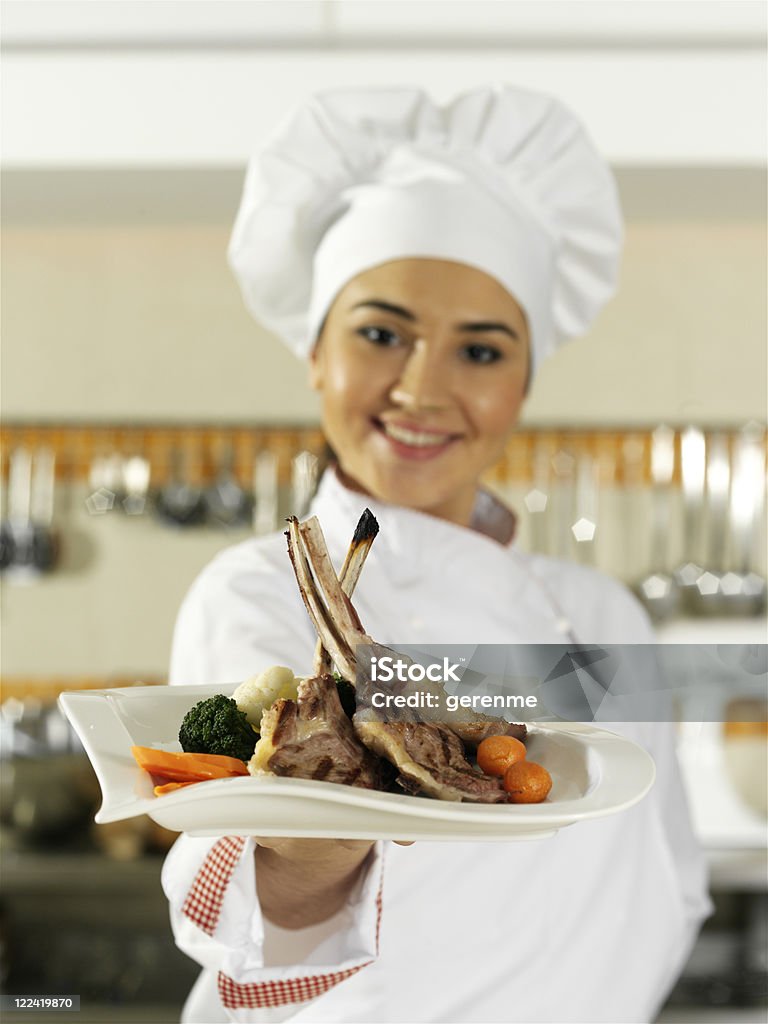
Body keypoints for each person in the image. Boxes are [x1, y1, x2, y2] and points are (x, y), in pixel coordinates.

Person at [162, 84, 711, 1024]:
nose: (421, 388)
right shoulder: (254, 592)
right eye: (380, 334)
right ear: (316, 353)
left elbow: (662, 877)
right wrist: (317, 814)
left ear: (526, 382)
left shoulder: (607, 611)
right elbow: (253, 914)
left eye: (482, 352)